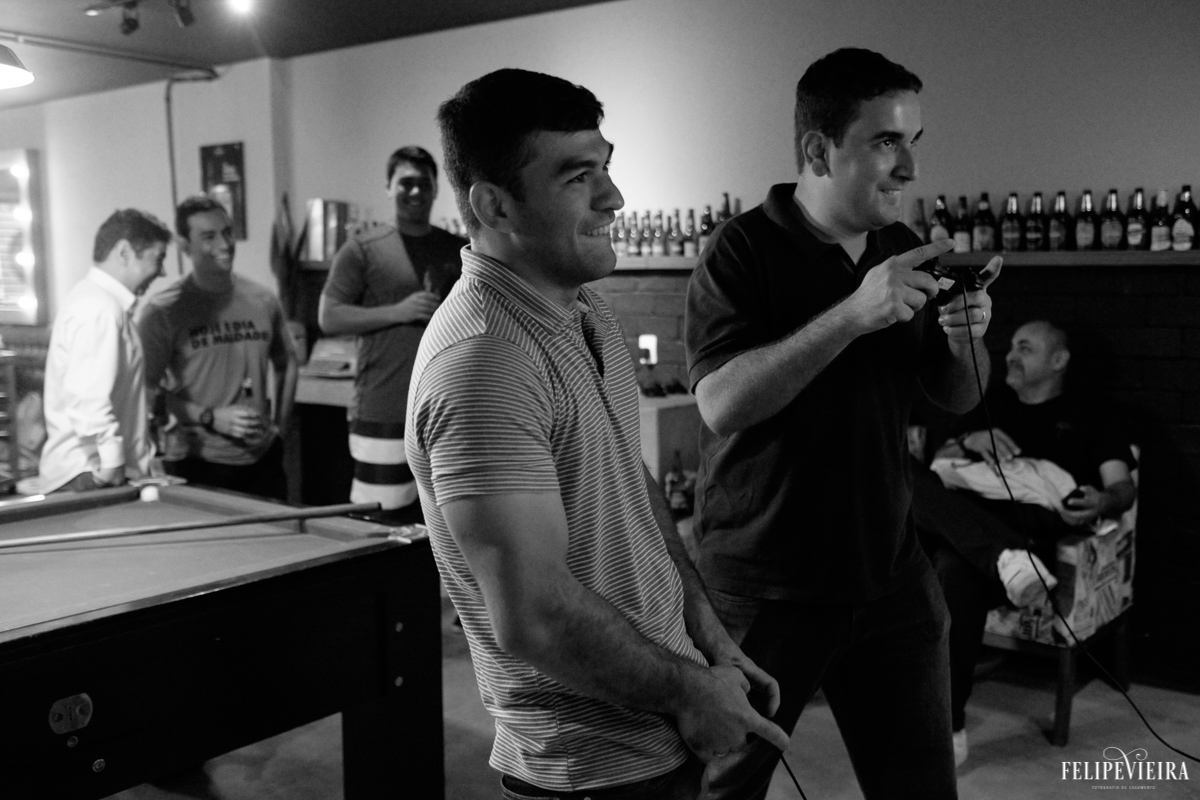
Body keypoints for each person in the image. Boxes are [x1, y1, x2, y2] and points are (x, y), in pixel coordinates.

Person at [407, 68, 790, 800]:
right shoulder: (485, 362)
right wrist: (687, 692)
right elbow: (534, 614)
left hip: (656, 734)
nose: (613, 196)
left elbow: (632, 489)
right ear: (493, 204)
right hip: (589, 770)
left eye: (607, 166)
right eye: (579, 176)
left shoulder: (585, 312)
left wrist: (705, 634)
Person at [684, 48, 1002, 799]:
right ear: (818, 150)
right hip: (766, 587)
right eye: (887, 142)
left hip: (892, 576)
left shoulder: (904, 250)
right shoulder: (741, 250)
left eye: (913, 142)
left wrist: (969, 340)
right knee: (722, 788)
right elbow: (721, 403)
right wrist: (853, 315)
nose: (909, 168)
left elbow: (959, 397)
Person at [913, 319, 1136, 765]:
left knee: (953, 567)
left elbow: (1122, 488)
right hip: (972, 521)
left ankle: (949, 725)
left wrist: (1100, 502)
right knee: (898, 474)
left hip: (1030, 528)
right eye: (1011, 346)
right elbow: (942, 466)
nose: (1010, 355)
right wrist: (967, 438)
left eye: (1025, 348)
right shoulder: (990, 402)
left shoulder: (1095, 413)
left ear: (1059, 360)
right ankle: (1001, 556)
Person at [319, 146, 466, 522]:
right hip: (382, 407)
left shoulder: (457, 250)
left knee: (447, 528)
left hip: (449, 410)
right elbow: (329, 317)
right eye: (406, 183)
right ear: (389, 187)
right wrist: (397, 312)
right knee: (381, 524)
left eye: (424, 184)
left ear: (436, 189)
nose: (415, 192)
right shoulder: (362, 249)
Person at [139, 196, 298, 502]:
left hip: (263, 460)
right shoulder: (163, 312)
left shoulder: (262, 299)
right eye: (209, 237)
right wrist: (209, 416)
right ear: (185, 246)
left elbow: (287, 361)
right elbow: (146, 393)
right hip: (197, 463)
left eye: (227, 232)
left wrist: (280, 426)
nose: (225, 244)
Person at [39, 209, 171, 493]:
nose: (162, 272)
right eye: (157, 258)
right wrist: (111, 465)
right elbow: (87, 399)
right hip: (88, 475)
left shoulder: (100, 303)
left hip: (90, 474)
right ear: (124, 252)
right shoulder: (99, 308)